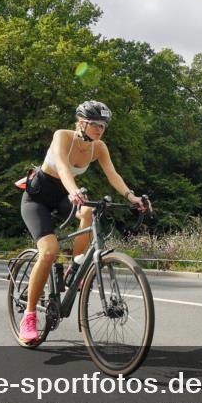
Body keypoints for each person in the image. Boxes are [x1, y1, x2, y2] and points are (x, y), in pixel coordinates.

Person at [17, 100, 150, 344]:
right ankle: (29, 315)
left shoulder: (98, 148)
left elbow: (113, 174)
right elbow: (63, 167)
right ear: (81, 123)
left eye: (103, 126)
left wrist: (132, 197)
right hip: (38, 197)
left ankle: (75, 268)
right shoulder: (62, 136)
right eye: (95, 125)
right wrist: (73, 191)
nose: (99, 130)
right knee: (49, 252)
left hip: (66, 195)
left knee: (88, 213)